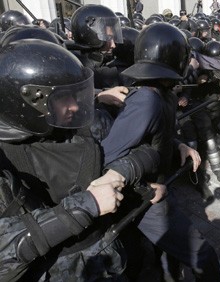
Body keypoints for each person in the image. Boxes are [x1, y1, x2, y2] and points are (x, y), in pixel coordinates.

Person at [0, 40, 160, 281]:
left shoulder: (80, 130)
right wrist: (87, 204)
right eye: (63, 98)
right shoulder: (5, 160)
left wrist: (119, 172)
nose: (75, 106)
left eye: (75, 95)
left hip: (109, 254)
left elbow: (146, 153)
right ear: (30, 102)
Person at [105, 22, 220, 281]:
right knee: (204, 256)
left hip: (157, 188)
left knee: (169, 263)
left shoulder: (164, 92)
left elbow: (155, 135)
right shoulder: (146, 100)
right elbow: (109, 159)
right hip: (144, 199)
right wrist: (145, 188)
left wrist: (179, 146)